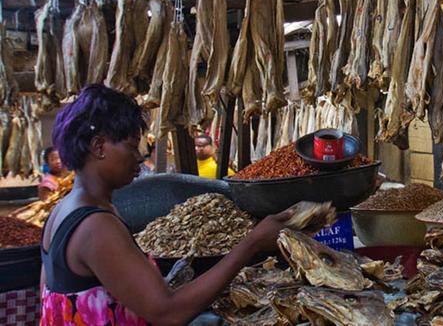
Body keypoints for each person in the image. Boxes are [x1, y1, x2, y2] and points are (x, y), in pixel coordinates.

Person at [40, 84, 291, 325]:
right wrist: (252, 243)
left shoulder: (63, 211)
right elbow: (168, 312)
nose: (139, 156)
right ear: (98, 147)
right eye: (130, 146)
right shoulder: (96, 226)